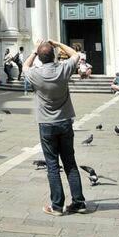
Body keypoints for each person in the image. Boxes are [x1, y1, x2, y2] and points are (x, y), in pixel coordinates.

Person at [23, 39, 87, 216]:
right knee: (70, 164)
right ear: (54, 55)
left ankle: (57, 206)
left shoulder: (35, 74)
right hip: (65, 121)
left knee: (52, 166)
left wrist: (35, 50)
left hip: (46, 124)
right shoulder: (63, 69)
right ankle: (79, 202)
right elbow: (76, 55)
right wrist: (57, 43)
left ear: (40, 57)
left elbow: (24, 66)